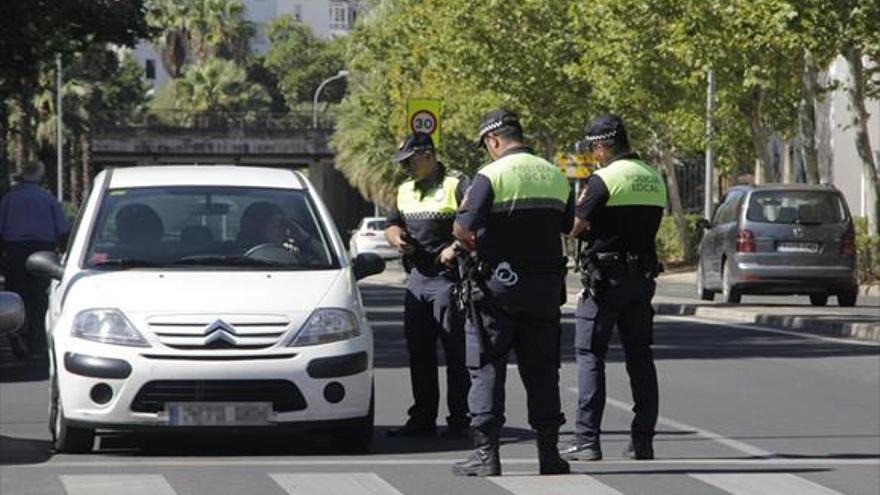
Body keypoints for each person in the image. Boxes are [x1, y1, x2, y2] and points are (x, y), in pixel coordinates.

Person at [452, 109, 573, 477]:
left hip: (497, 288)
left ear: (493, 140)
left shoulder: (490, 175)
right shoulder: (555, 173)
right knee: (542, 371)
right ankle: (549, 455)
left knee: (487, 367)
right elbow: (569, 225)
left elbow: (462, 228)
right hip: (545, 290)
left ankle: (487, 455)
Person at [560, 114, 666, 462]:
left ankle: (587, 439)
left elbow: (574, 227)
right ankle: (643, 440)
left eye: (593, 148)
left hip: (605, 280)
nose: (594, 155)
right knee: (640, 359)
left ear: (602, 145)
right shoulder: (653, 176)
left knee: (591, 355)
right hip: (641, 280)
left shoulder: (604, 179)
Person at [384, 132, 472, 439]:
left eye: (410, 160)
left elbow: (475, 221)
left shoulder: (457, 183)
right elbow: (392, 224)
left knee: (455, 351)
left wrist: (455, 248)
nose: (406, 167)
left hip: (447, 278)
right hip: (417, 279)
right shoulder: (405, 188)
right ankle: (422, 417)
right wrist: (397, 239)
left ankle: (459, 419)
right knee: (419, 351)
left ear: (428, 155)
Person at [0, 161, 69, 358]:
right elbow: (62, 230)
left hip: (14, 251)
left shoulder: (9, 199)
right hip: (43, 251)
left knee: (16, 297)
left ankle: (17, 334)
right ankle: (37, 342)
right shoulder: (47, 199)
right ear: (40, 177)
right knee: (40, 298)